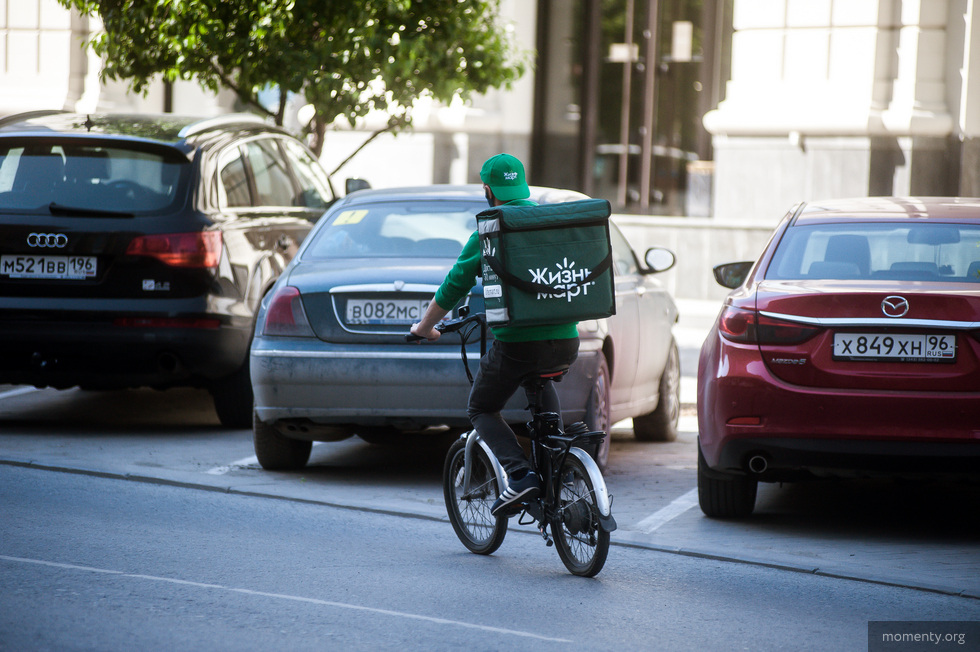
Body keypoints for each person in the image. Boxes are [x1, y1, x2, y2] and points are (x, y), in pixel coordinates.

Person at [410, 153, 580, 516]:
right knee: (540, 381)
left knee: (482, 406)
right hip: (566, 339)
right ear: (521, 184)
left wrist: (426, 327)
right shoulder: (549, 221)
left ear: (488, 190)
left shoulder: (490, 228)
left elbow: (456, 282)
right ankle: (558, 469)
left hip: (519, 343)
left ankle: (521, 476)